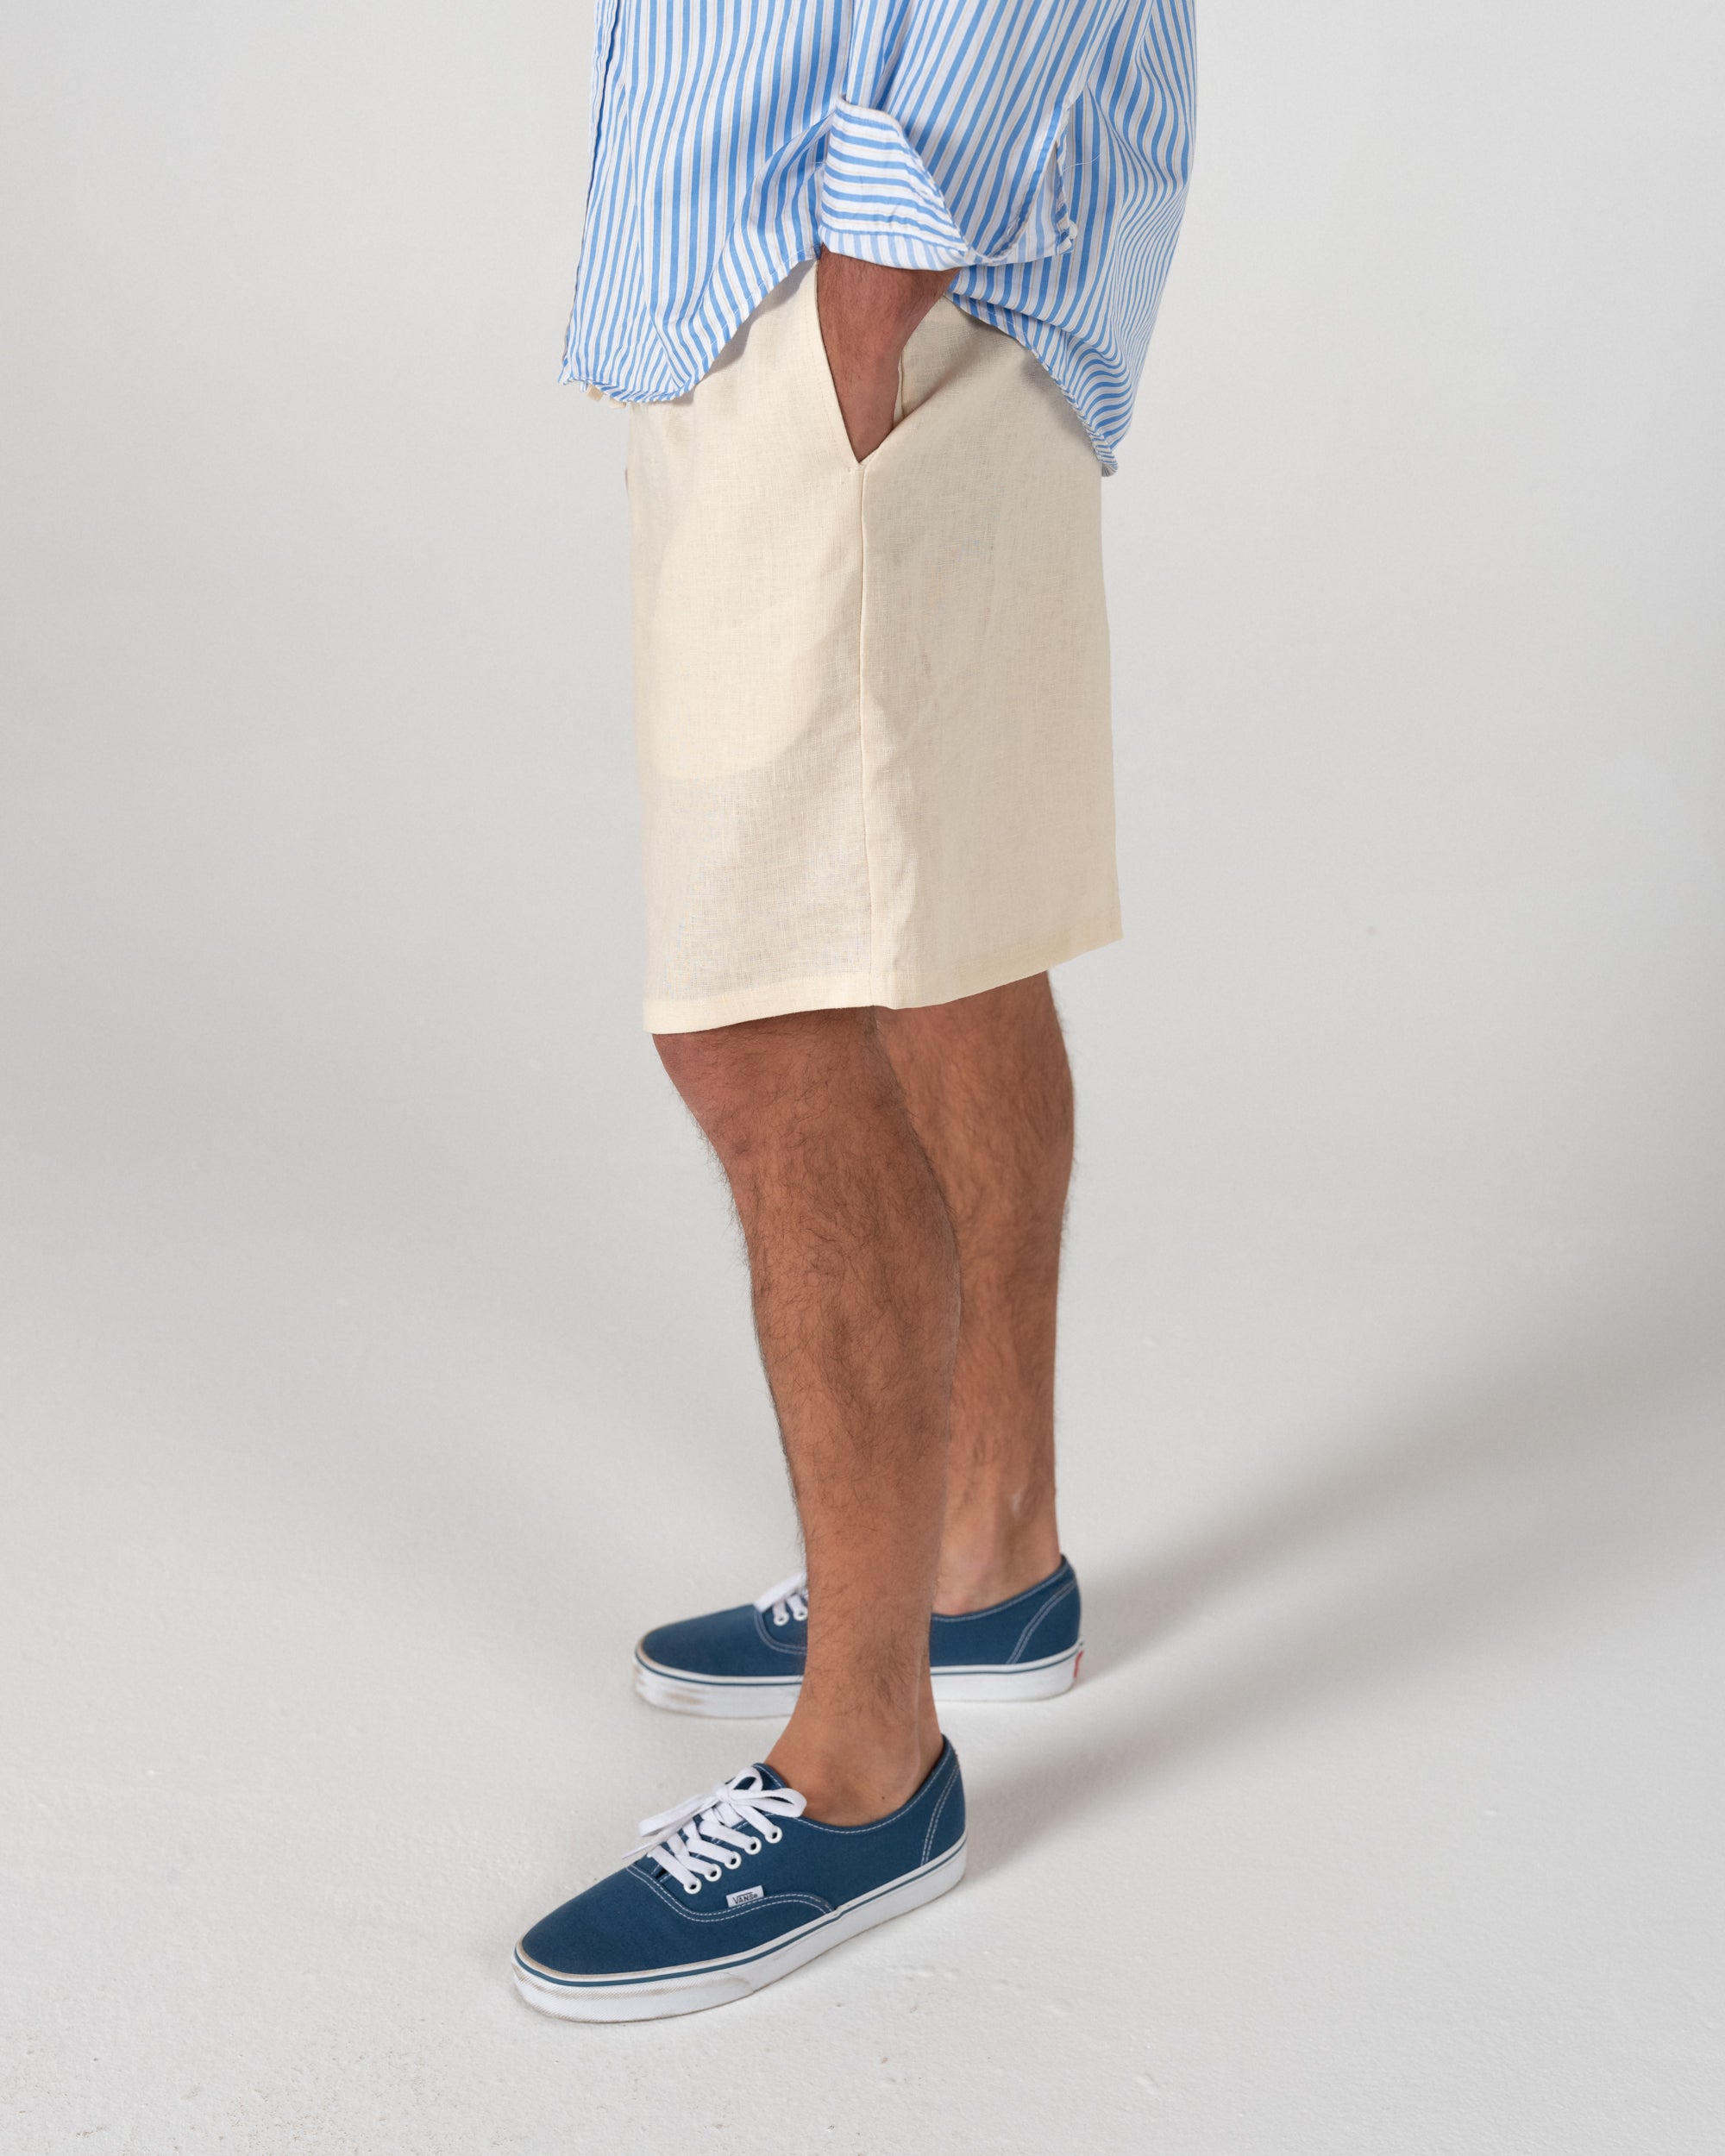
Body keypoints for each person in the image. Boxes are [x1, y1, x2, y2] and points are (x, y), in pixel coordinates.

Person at [513, 0, 1195, 2021]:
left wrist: (868, 283)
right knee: (935, 935)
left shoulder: (865, 287)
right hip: (868, 275)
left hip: (861, 276)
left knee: (766, 1013)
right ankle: (983, 1556)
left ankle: (864, 1760)